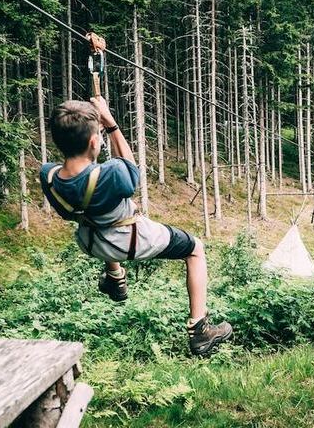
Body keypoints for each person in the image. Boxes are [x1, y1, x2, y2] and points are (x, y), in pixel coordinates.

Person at [39, 32, 232, 357]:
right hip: (128, 239)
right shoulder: (112, 175)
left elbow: (83, 159)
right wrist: (112, 125)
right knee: (195, 249)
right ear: (93, 143)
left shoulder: (48, 175)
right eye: (98, 136)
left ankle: (115, 277)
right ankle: (199, 329)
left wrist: (96, 69)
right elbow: (131, 169)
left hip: (92, 242)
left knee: (101, 217)